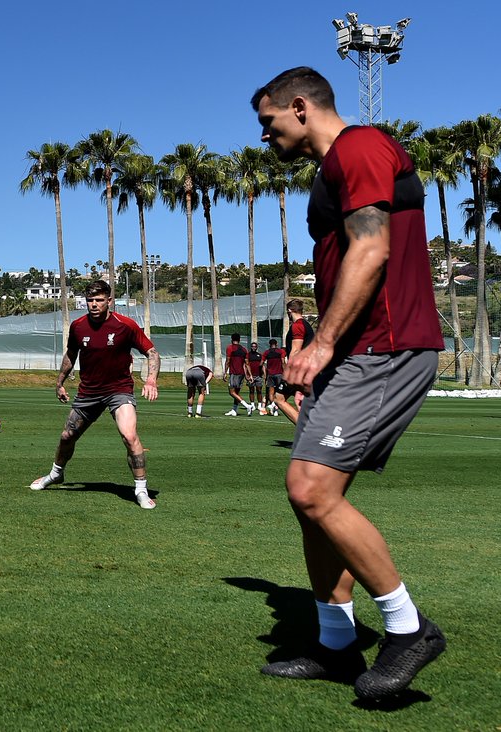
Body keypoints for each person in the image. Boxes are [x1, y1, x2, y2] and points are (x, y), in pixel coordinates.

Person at [252, 66, 446, 700]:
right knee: (309, 505)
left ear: (300, 108)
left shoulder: (359, 147)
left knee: (311, 490)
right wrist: (315, 343)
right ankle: (336, 643)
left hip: (385, 347)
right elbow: (342, 264)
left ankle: (407, 628)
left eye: (268, 122)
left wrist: (329, 341)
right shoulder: (329, 169)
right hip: (349, 350)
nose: (265, 137)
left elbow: (372, 250)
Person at [29, 280, 160, 510]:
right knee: (67, 436)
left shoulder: (125, 325)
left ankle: (140, 489)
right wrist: (59, 381)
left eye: (99, 300)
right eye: (90, 300)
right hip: (88, 392)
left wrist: (151, 380)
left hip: (119, 391)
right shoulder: (78, 326)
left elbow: (151, 352)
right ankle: (55, 474)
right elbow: (71, 354)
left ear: (109, 301)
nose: (94, 304)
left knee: (129, 436)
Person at [272, 299, 316, 424]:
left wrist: (289, 369)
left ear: (289, 311)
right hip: (307, 369)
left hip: (299, 369)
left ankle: (307, 430)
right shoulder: (306, 325)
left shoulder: (298, 326)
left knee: (279, 399)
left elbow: (296, 350)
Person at [223, 333, 254, 416]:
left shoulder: (230, 348)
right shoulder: (244, 350)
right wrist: (250, 375)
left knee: (231, 392)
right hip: (242, 374)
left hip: (234, 373)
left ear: (231, 339)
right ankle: (234, 410)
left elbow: (228, 361)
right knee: (236, 392)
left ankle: (247, 406)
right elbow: (247, 363)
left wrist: (225, 372)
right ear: (239, 339)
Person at [262, 338, 286, 417]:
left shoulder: (266, 352)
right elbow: (283, 362)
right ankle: (275, 409)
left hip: (270, 375)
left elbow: (261, 363)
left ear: (269, 344)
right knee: (279, 392)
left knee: (271, 392)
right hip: (279, 374)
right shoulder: (281, 351)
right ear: (277, 344)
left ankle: (272, 405)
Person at [246, 341, 266, 414]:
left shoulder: (259, 355)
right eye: (252, 346)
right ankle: (252, 405)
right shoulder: (248, 355)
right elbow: (246, 365)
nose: (253, 347)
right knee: (251, 390)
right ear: (251, 347)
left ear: (257, 347)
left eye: (255, 346)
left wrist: (264, 374)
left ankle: (259, 405)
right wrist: (247, 375)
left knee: (259, 390)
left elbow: (263, 365)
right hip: (251, 375)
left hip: (258, 375)